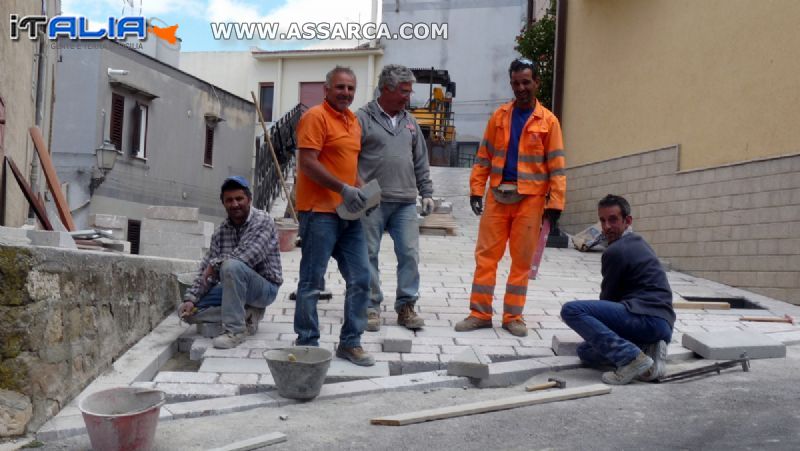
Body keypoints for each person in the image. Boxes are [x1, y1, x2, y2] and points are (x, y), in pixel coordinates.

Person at [455, 58, 566, 337]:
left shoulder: (549, 122)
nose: (521, 88)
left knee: (521, 261)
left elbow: (557, 166)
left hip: (530, 199)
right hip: (498, 196)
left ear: (536, 83)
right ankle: (479, 313)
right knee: (486, 258)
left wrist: (555, 204)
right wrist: (476, 189)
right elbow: (483, 157)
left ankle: (513, 316)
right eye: (516, 83)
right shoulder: (499, 117)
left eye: (526, 82)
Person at [293, 66, 375, 366]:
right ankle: (307, 343)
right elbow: (308, 163)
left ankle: (350, 343)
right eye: (340, 87)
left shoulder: (353, 121)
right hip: (319, 213)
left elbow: (347, 167)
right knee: (312, 281)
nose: (346, 93)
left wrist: (363, 191)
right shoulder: (315, 117)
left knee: (361, 278)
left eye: (351, 89)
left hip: (348, 214)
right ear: (326, 89)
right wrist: (343, 188)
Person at [560, 195, 674, 385]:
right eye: (602, 220)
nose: (606, 227)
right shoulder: (639, 243)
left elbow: (608, 300)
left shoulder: (616, 251)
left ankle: (631, 359)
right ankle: (646, 349)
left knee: (572, 310)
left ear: (627, 220)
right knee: (585, 352)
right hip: (663, 325)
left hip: (645, 317)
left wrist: (591, 327)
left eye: (613, 219)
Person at [357, 64, 434, 332]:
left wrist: (427, 192)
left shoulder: (410, 122)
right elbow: (349, 158)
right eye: (404, 91)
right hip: (372, 201)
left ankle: (406, 306)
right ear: (386, 89)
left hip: (404, 201)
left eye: (409, 91)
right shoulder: (362, 119)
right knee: (368, 255)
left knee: (409, 254)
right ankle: (369, 307)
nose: (408, 97)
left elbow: (421, 160)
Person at [180, 176, 283, 349]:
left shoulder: (263, 221)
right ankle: (247, 315)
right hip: (233, 285)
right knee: (188, 313)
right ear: (223, 203)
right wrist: (191, 299)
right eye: (229, 200)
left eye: (239, 199)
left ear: (249, 199)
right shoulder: (220, 232)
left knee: (232, 266)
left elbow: (248, 255)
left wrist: (216, 265)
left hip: (264, 288)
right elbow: (206, 269)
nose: (235, 204)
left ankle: (235, 331)